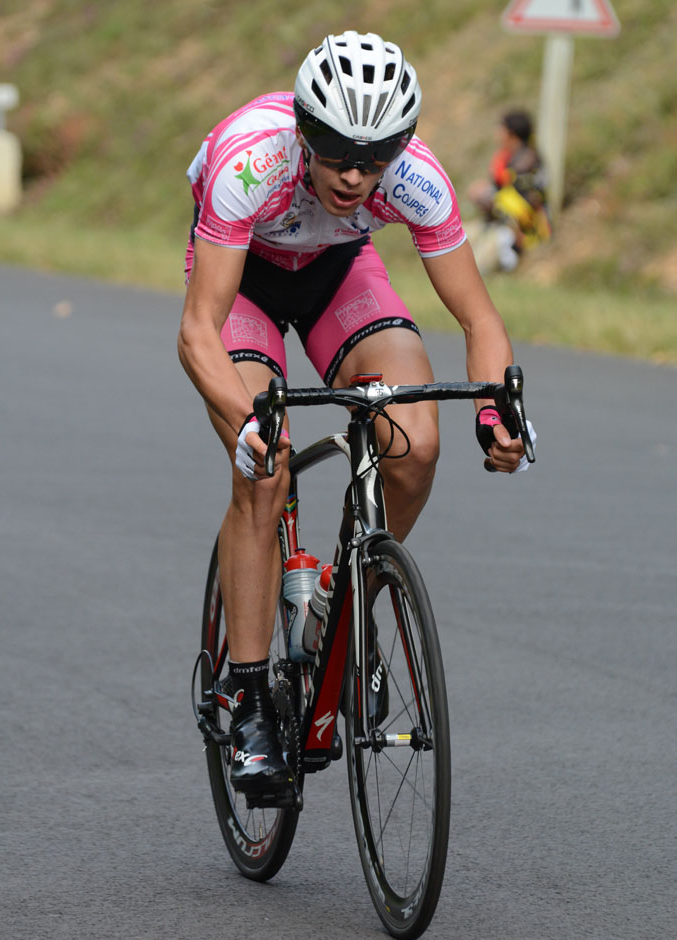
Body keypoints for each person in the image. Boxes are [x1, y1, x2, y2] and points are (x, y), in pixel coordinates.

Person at [178, 31, 531, 798]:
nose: (353, 175)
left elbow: (479, 320)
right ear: (305, 132)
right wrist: (247, 423)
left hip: (339, 275)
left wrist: (495, 415)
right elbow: (197, 330)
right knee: (266, 470)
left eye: (374, 158)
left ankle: (342, 611)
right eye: (337, 153)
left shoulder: (415, 179)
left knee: (416, 442)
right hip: (242, 283)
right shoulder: (250, 159)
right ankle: (245, 696)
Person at [467, 109, 550, 272]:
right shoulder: (506, 157)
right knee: (457, 237)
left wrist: (487, 198)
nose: (496, 132)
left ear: (511, 134)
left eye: (500, 128)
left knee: (477, 263)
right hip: (496, 224)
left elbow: (524, 207)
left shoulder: (527, 161)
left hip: (520, 234)